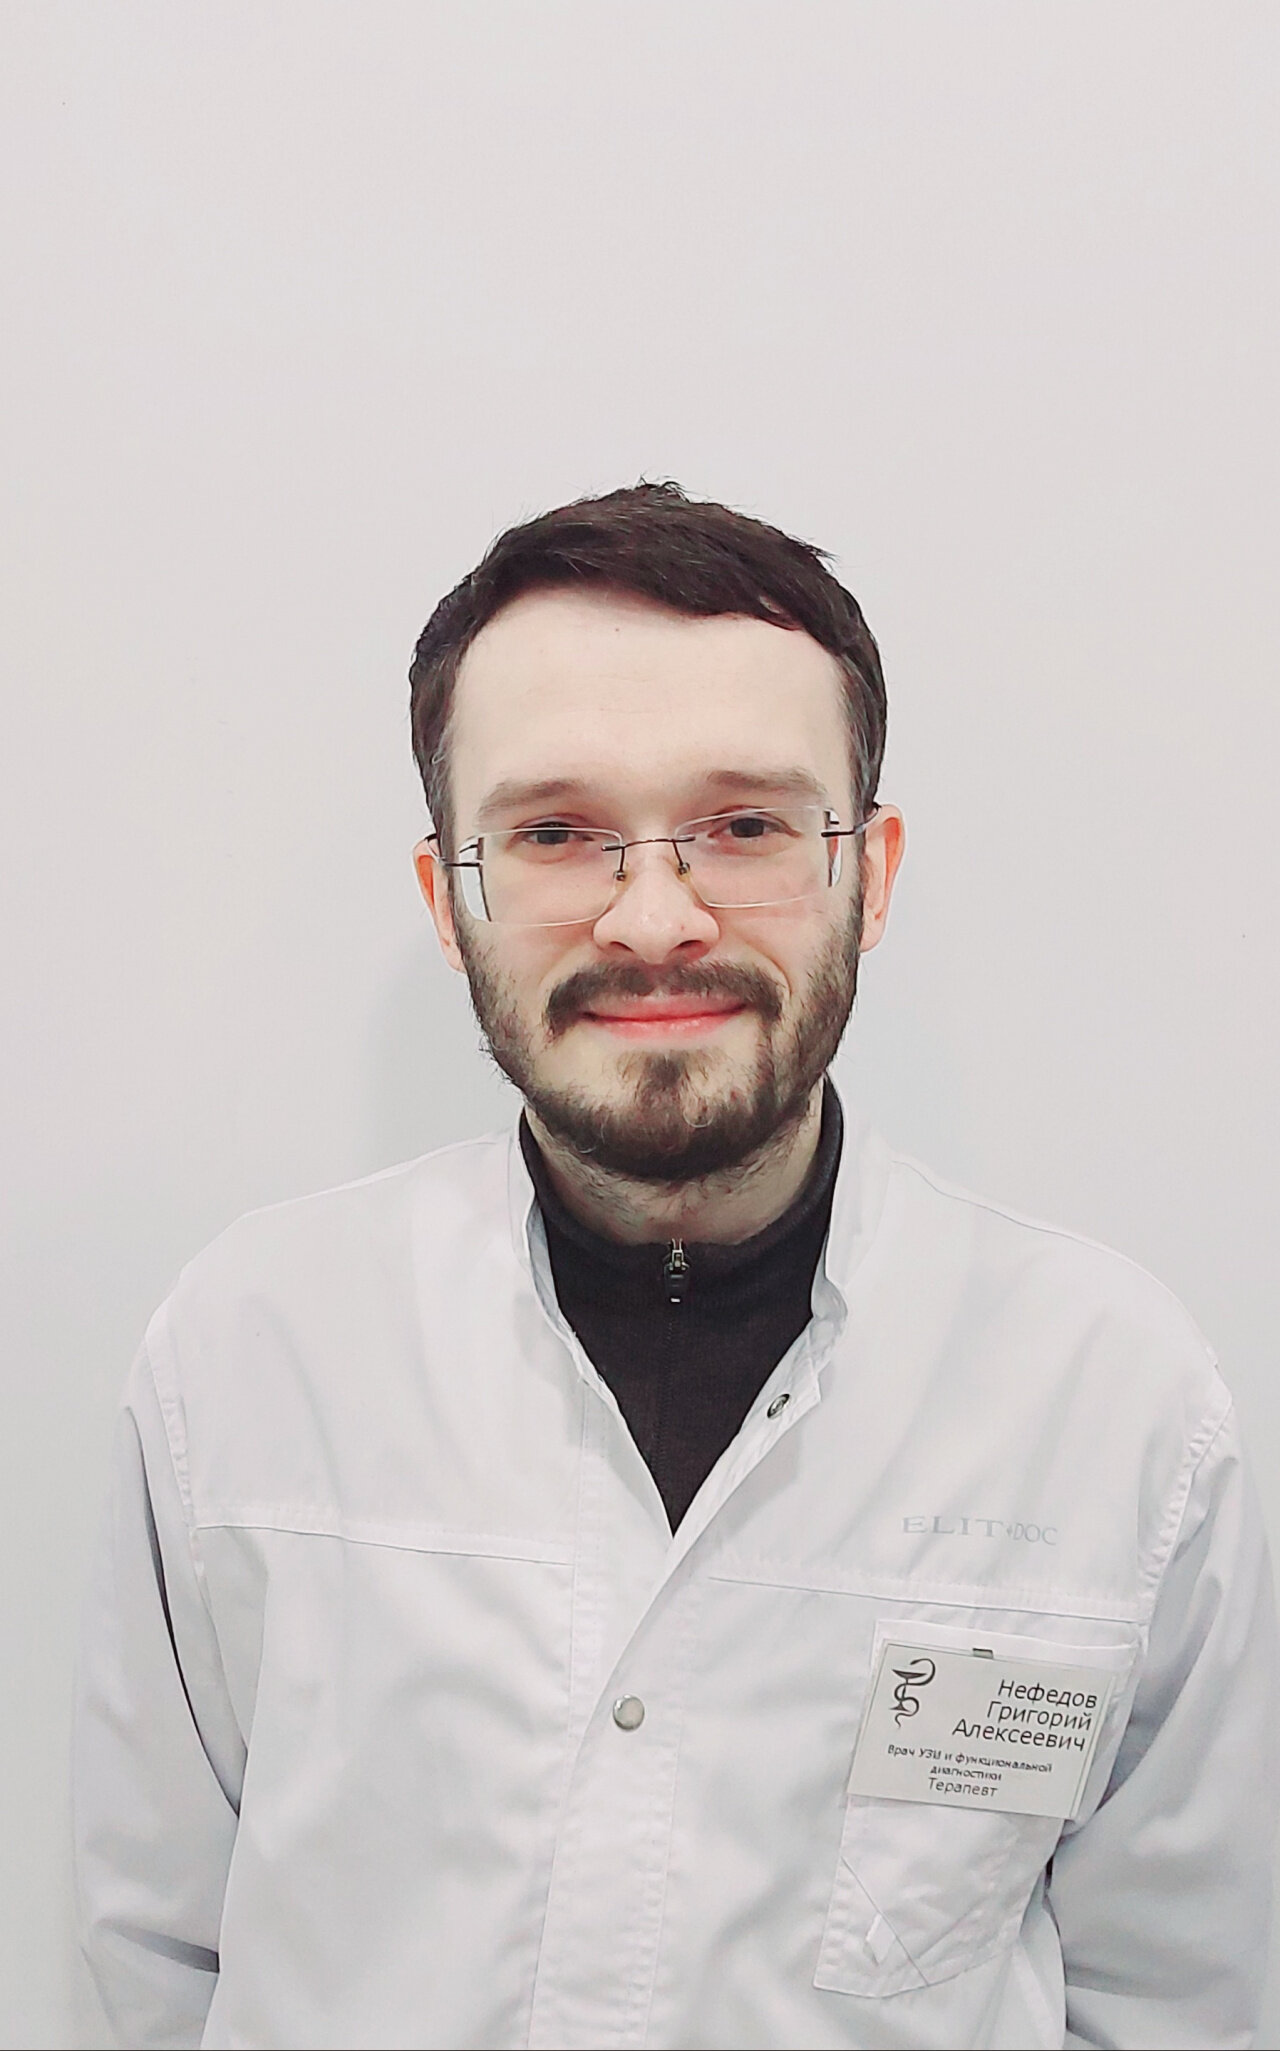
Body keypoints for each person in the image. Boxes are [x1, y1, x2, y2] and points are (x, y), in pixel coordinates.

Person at [74, 482, 1277, 2051]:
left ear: (871, 875)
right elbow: (153, 1967)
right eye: (557, 834)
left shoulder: (1113, 1405)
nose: (654, 919)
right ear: (450, 897)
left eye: (747, 827)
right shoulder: (246, 1359)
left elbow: (1170, 1999)